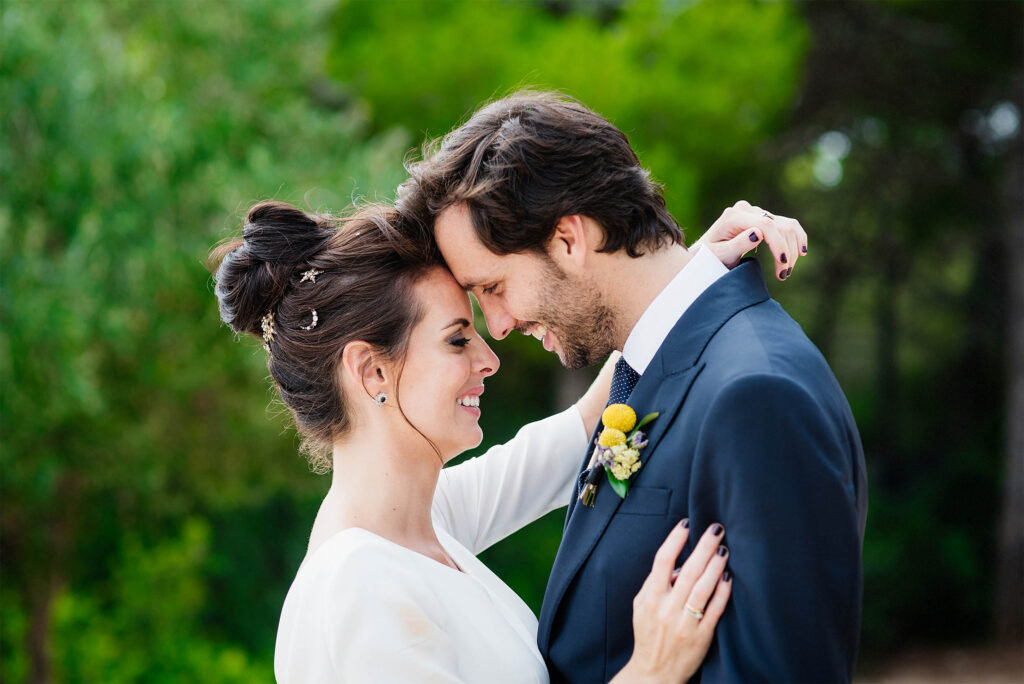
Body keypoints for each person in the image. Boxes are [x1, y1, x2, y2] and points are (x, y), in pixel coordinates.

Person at [211, 200, 788, 682]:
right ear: (372, 372)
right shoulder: (359, 587)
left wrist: (682, 278)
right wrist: (651, 672)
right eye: (458, 341)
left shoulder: (426, 522)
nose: (490, 360)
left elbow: (580, 429)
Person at [401, 90, 868, 683]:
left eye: (492, 287)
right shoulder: (657, 370)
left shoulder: (756, 397)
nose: (498, 326)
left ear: (569, 239)